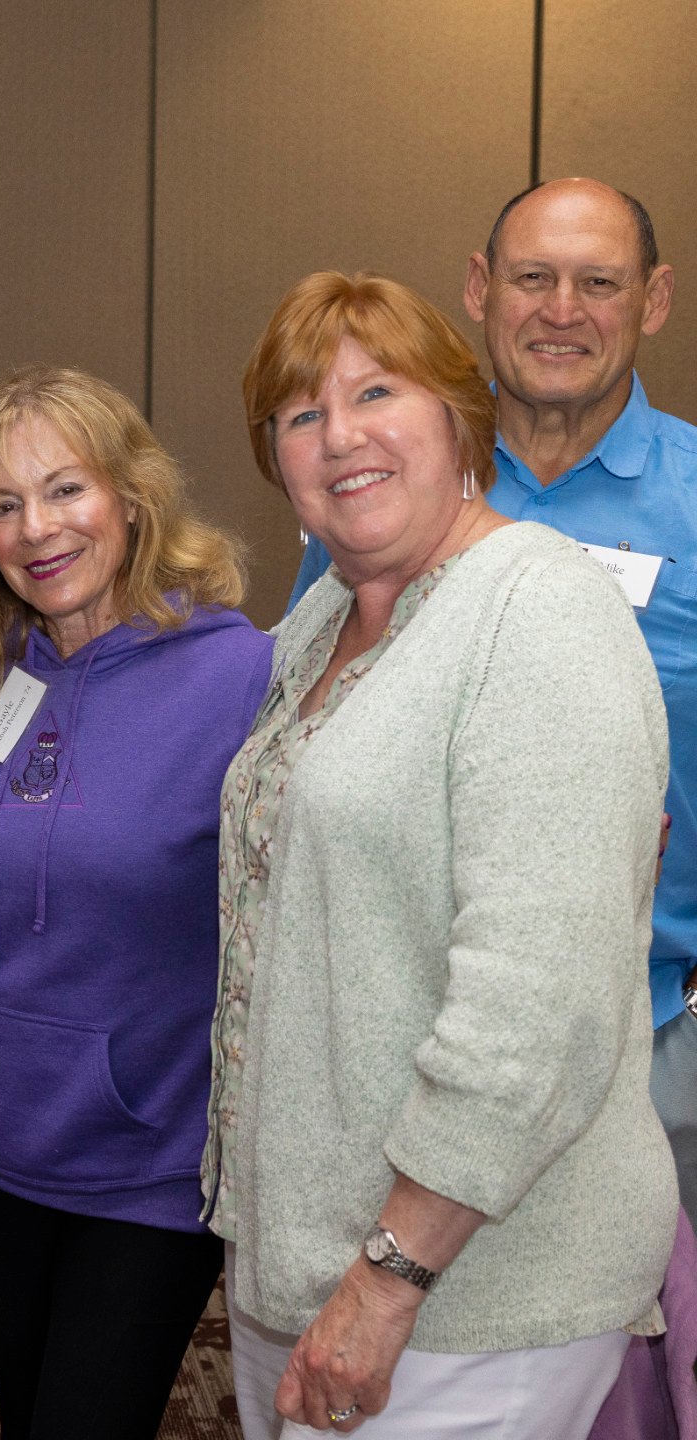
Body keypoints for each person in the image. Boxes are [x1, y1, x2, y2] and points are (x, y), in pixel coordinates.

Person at [206, 270, 675, 1438]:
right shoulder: (329, 615)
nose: (340, 435)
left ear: (459, 418)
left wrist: (387, 1277)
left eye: (376, 393)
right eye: (301, 415)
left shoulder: (539, 613)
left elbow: (538, 1010)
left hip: (468, 1292)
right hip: (314, 1262)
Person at [285, 180, 697, 1223]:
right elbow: (305, 717)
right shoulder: (388, 475)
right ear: (479, 288)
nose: (563, 310)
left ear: (652, 301)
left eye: (599, 283)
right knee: (417, 1336)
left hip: (656, 1025)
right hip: (404, 1027)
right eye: (533, 278)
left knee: (651, 1359)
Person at [0, 365, 273, 1440]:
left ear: (132, 497)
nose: (34, 529)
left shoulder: (241, 678)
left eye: (65, 490)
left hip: (148, 1165)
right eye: (2, 505)